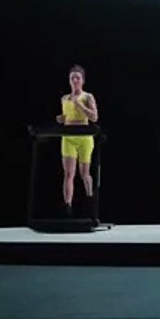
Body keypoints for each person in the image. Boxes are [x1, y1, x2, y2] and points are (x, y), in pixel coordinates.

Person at [57, 64, 99, 216]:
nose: (75, 80)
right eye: (72, 78)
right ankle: (67, 206)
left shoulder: (87, 97)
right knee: (68, 174)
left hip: (84, 137)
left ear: (82, 80)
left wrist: (79, 105)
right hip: (68, 137)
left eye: (78, 78)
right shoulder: (64, 98)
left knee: (84, 173)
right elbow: (67, 116)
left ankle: (90, 201)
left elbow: (94, 117)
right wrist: (62, 119)